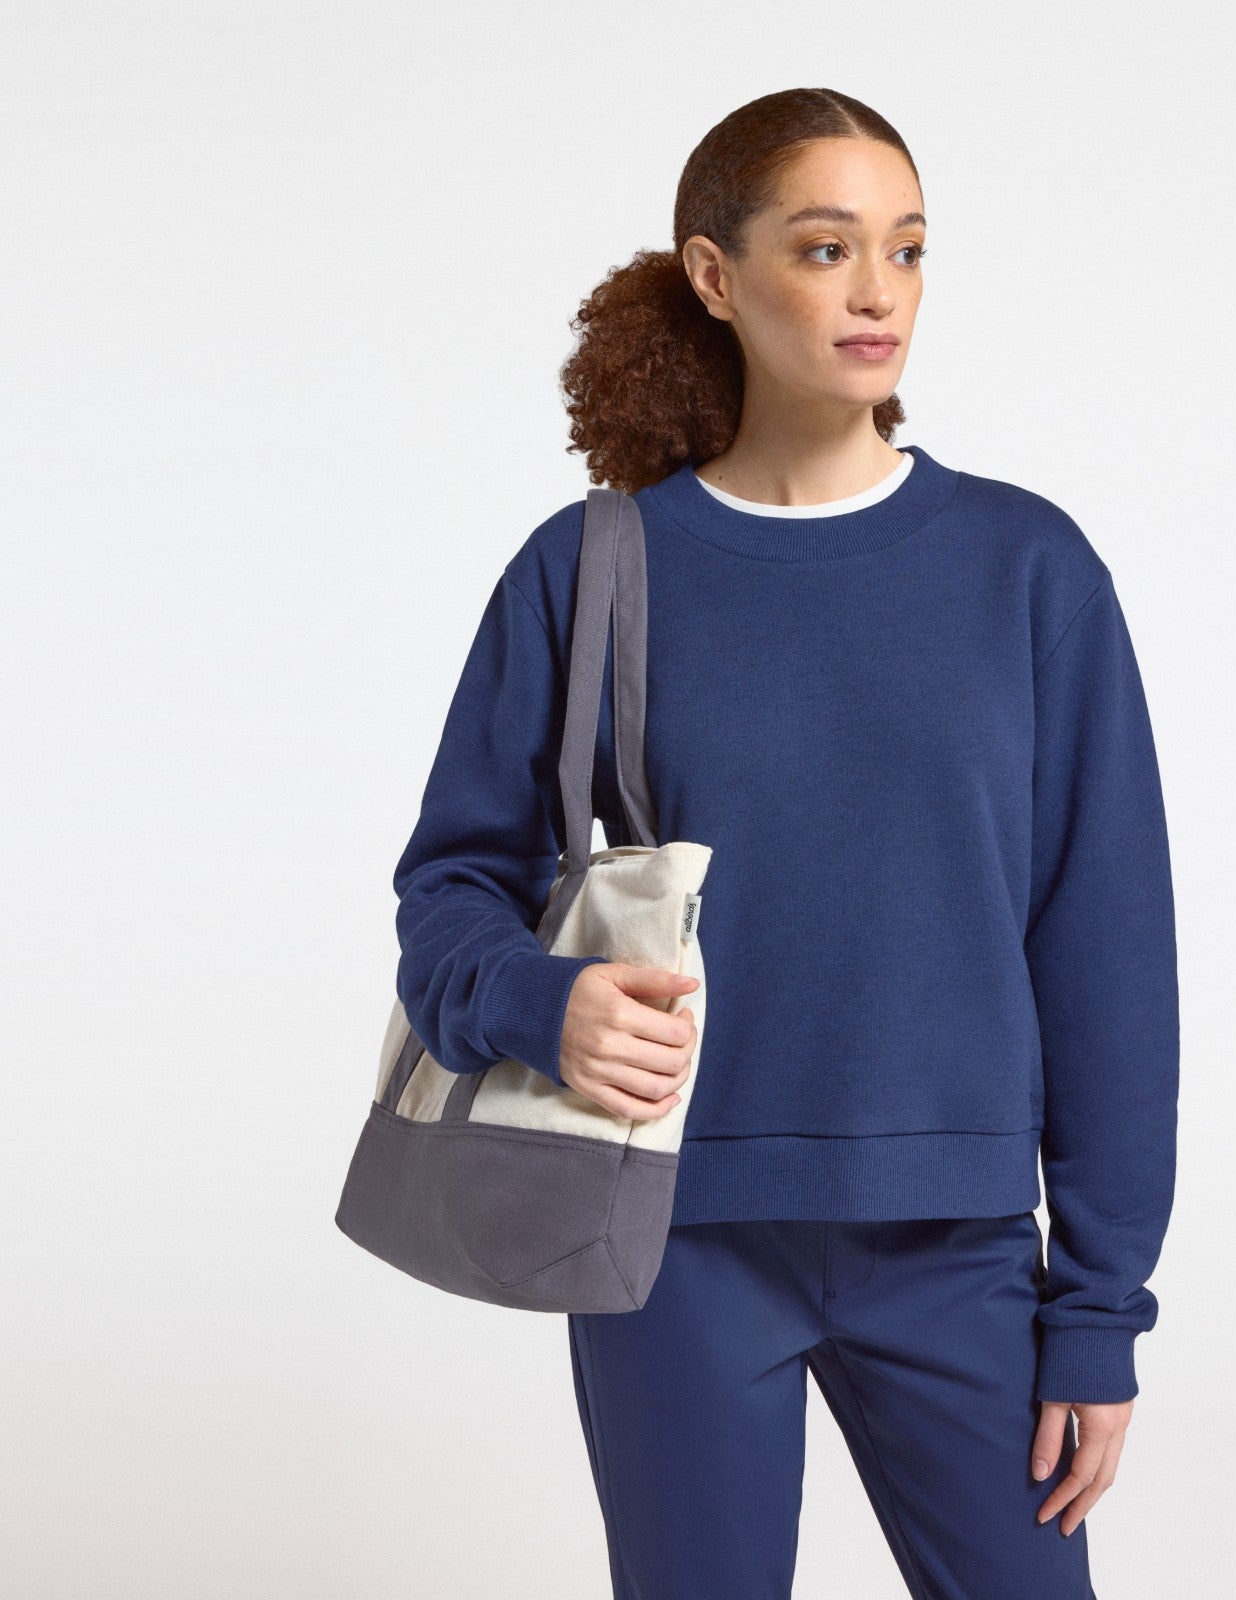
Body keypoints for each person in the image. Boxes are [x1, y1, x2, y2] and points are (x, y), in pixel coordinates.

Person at [392, 86, 1180, 1600]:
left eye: (908, 248)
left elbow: (1108, 956)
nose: (878, 290)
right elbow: (450, 890)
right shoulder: (593, 568)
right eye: (826, 249)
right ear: (715, 274)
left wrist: (1099, 1309)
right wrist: (543, 1003)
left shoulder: (1027, 570)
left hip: (959, 1249)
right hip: (668, 1238)